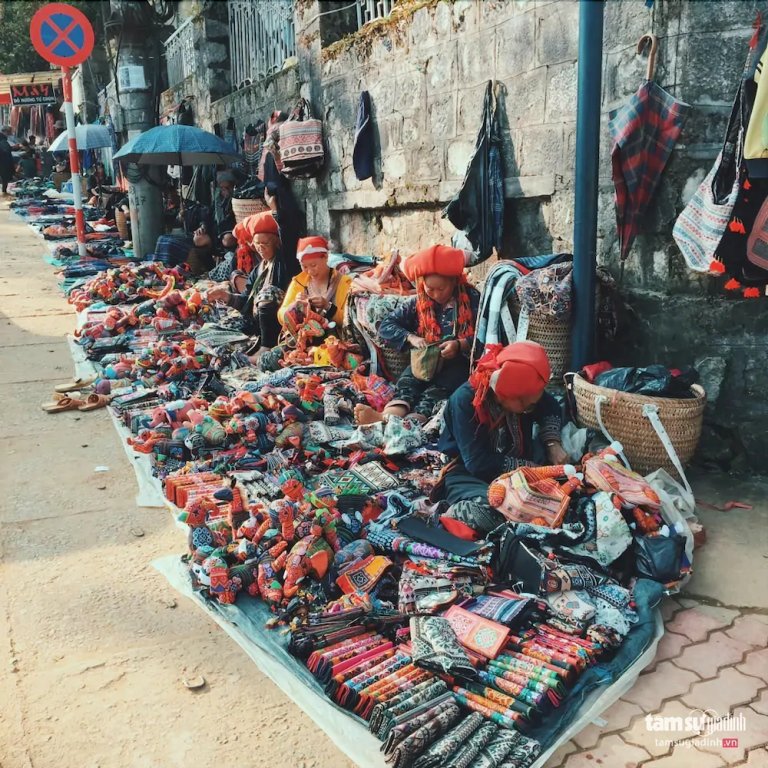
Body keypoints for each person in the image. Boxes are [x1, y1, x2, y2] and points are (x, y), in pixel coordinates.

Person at [434, 341, 568, 534]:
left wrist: (552, 444)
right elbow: (479, 463)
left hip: (521, 464)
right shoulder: (464, 401)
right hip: (468, 472)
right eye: (528, 406)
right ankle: (459, 511)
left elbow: (550, 406)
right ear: (507, 396)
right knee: (499, 514)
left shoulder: (521, 386)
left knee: (557, 502)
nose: (531, 409)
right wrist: (532, 470)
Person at [354, 244, 479, 425]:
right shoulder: (419, 302)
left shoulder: (473, 299)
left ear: (454, 281)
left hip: (459, 365)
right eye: (430, 288)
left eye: (441, 289)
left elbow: (486, 336)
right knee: (407, 386)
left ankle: (408, 426)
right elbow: (386, 326)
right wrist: (411, 337)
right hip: (423, 362)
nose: (435, 294)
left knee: (433, 394)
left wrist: (461, 344)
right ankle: (384, 418)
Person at [206, 210, 289, 352]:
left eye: (265, 243)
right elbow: (247, 300)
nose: (260, 248)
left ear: (276, 243)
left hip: (281, 323)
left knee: (268, 293)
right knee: (214, 330)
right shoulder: (258, 269)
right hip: (258, 324)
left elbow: (287, 233)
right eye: (257, 244)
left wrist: (275, 206)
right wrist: (226, 296)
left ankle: (266, 347)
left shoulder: (283, 262)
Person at [277, 236, 352, 331]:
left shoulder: (344, 282)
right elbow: (280, 315)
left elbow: (349, 320)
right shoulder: (298, 282)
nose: (310, 271)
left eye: (313, 265)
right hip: (305, 338)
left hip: (335, 340)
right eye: (304, 267)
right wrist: (294, 306)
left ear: (326, 257)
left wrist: (328, 306)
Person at [213, 170, 236, 236]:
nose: (224, 190)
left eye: (227, 188)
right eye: (222, 188)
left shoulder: (236, 199)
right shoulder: (218, 199)